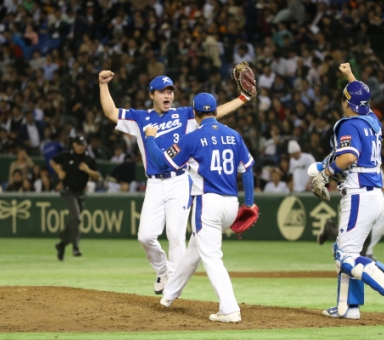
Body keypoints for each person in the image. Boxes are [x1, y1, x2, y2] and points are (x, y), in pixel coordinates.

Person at [99, 70, 253, 294]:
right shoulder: (140, 118)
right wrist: (103, 85)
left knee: (175, 234)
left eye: (170, 91)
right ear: (152, 94)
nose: (167, 95)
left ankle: (173, 288)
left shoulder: (184, 115)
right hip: (154, 183)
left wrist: (242, 99)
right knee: (145, 236)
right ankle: (162, 270)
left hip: (180, 181)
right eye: (162, 91)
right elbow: (110, 112)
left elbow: (213, 113)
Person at [144, 93, 255, 323]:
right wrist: (249, 202)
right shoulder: (234, 135)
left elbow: (163, 162)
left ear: (194, 114)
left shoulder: (192, 137)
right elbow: (248, 169)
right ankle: (169, 296)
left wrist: (150, 140)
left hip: (208, 205)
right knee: (194, 251)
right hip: (231, 205)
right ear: (215, 111)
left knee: (212, 257)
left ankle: (230, 309)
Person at [310, 63, 384, 320]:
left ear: (347, 102)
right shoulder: (372, 122)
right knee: (344, 251)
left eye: (345, 97)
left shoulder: (350, 124)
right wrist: (351, 77)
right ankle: (347, 308)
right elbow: (363, 102)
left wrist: (325, 173)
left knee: (346, 257)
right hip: (372, 194)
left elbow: (349, 156)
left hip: (359, 194)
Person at [317, 170, 384, 261]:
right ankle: (365, 251)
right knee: (353, 229)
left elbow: (381, 176)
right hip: (359, 195)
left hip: (372, 196)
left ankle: (366, 251)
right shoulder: (357, 159)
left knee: (379, 222)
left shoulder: (372, 160)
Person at [50, 135, 100, 260]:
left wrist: (87, 170)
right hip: (68, 191)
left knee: (73, 221)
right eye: (78, 144)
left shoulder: (88, 158)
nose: (80, 147)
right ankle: (75, 247)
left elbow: (97, 176)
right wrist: (59, 172)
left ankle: (61, 244)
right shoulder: (66, 155)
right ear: (74, 144)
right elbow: (52, 161)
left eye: (82, 144)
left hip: (81, 193)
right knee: (77, 219)